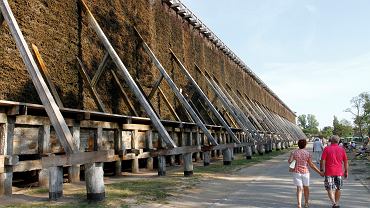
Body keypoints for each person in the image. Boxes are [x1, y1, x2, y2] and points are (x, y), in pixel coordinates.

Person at [288, 139, 323, 208]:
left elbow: (290, 162)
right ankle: (306, 203)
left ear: (298, 144)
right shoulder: (307, 153)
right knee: (306, 188)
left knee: (299, 188)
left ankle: (299, 204)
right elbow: (311, 165)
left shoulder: (294, 153)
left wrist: (291, 155)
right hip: (305, 172)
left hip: (297, 172)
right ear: (305, 145)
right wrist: (319, 172)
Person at [320, 135, 348, 208]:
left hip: (329, 172)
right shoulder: (342, 149)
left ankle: (334, 203)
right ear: (338, 141)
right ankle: (337, 203)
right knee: (338, 188)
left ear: (331, 140)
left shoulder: (326, 149)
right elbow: (345, 161)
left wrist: (322, 170)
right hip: (339, 172)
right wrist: (346, 171)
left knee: (329, 188)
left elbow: (323, 160)